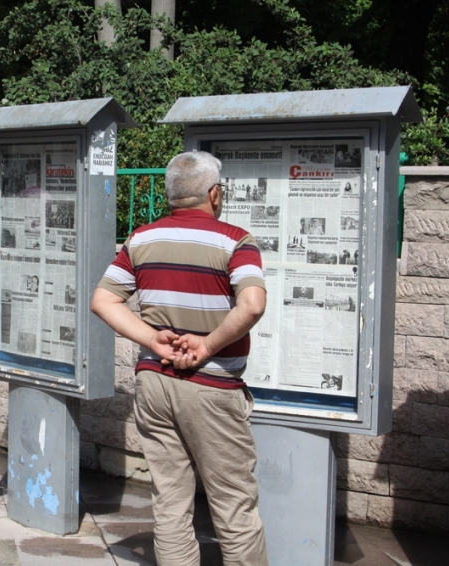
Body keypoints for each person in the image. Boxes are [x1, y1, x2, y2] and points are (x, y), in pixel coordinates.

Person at [91, 151, 269, 566]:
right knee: (233, 507)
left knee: (170, 503)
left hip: (154, 385)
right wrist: (207, 346)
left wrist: (155, 340)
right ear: (214, 194)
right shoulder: (236, 241)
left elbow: (103, 301)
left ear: (170, 196)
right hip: (213, 389)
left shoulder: (141, 239)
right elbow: (253, 305)